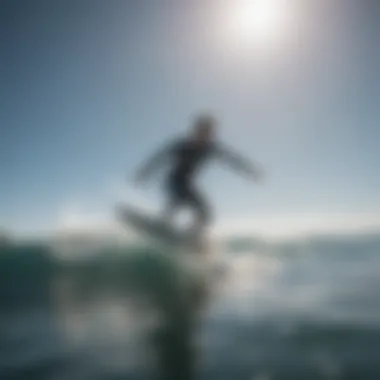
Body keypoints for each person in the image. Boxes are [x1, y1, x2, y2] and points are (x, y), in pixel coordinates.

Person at [134, 114, 264, 241]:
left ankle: (191, 237)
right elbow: (160, 157)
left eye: (209, 133)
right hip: (174, 180)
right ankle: (162, 225)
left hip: (188, 183)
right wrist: (145, 172)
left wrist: (249, 170)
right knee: (177, 200)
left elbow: (232, 159)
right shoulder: (182, 145)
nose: (205, 136)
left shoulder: (211, 148)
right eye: (202, 131)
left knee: (206, 213)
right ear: (196, 131)